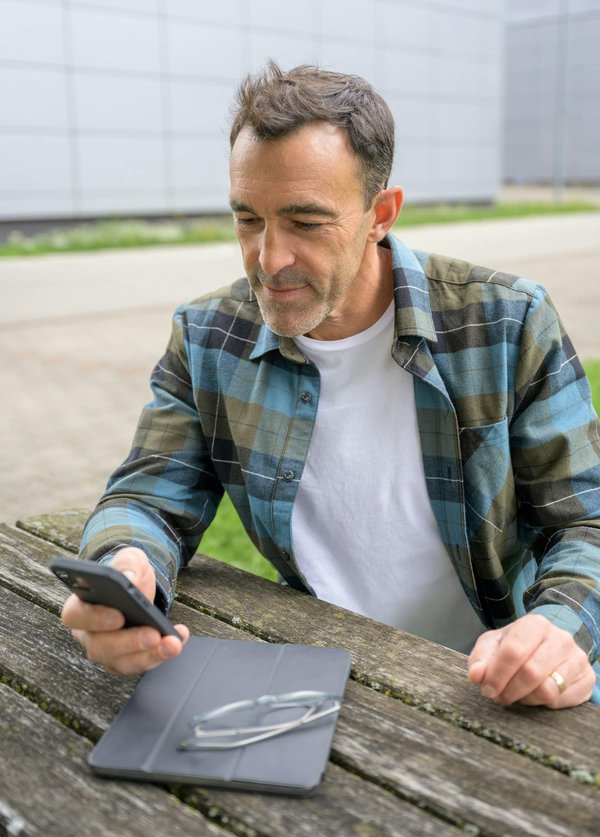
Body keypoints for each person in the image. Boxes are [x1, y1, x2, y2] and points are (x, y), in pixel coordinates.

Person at [62, 62, 600, 708]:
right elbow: (146, 497)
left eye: (306, 222)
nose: (270, 259)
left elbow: (585, 522)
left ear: (381, 213)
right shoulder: (207, 337)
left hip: (496, 691)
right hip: (328, 683)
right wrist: (127, 567)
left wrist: (555, 626)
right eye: (247, 219)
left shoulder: (508, 322)